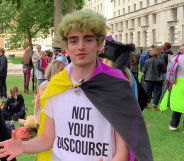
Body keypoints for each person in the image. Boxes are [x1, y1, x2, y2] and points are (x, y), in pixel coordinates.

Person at [0, 10, 153, 161]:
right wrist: (23, 146)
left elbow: (123, 153)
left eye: (88, 39)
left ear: (99, 44)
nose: (80, 46)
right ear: (66, 46)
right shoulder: (56, 86)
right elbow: (47, 138)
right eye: (74, 41)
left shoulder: (116, 87)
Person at [18, 60, 65, 129]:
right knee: (30, 122)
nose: (64, 71)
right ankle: (25, 123)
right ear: (54, 70)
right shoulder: (46, 85)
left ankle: (26, 121)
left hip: (52, 118)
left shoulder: (59, 84)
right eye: (61, 69)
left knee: (30, 117)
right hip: (45, 120)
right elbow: (45, 105)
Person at [160, 46, 184, 132]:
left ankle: (173, 125)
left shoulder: (176, 58)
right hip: (178, 82)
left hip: (177, 82)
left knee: (177, 105)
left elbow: (169, 69)